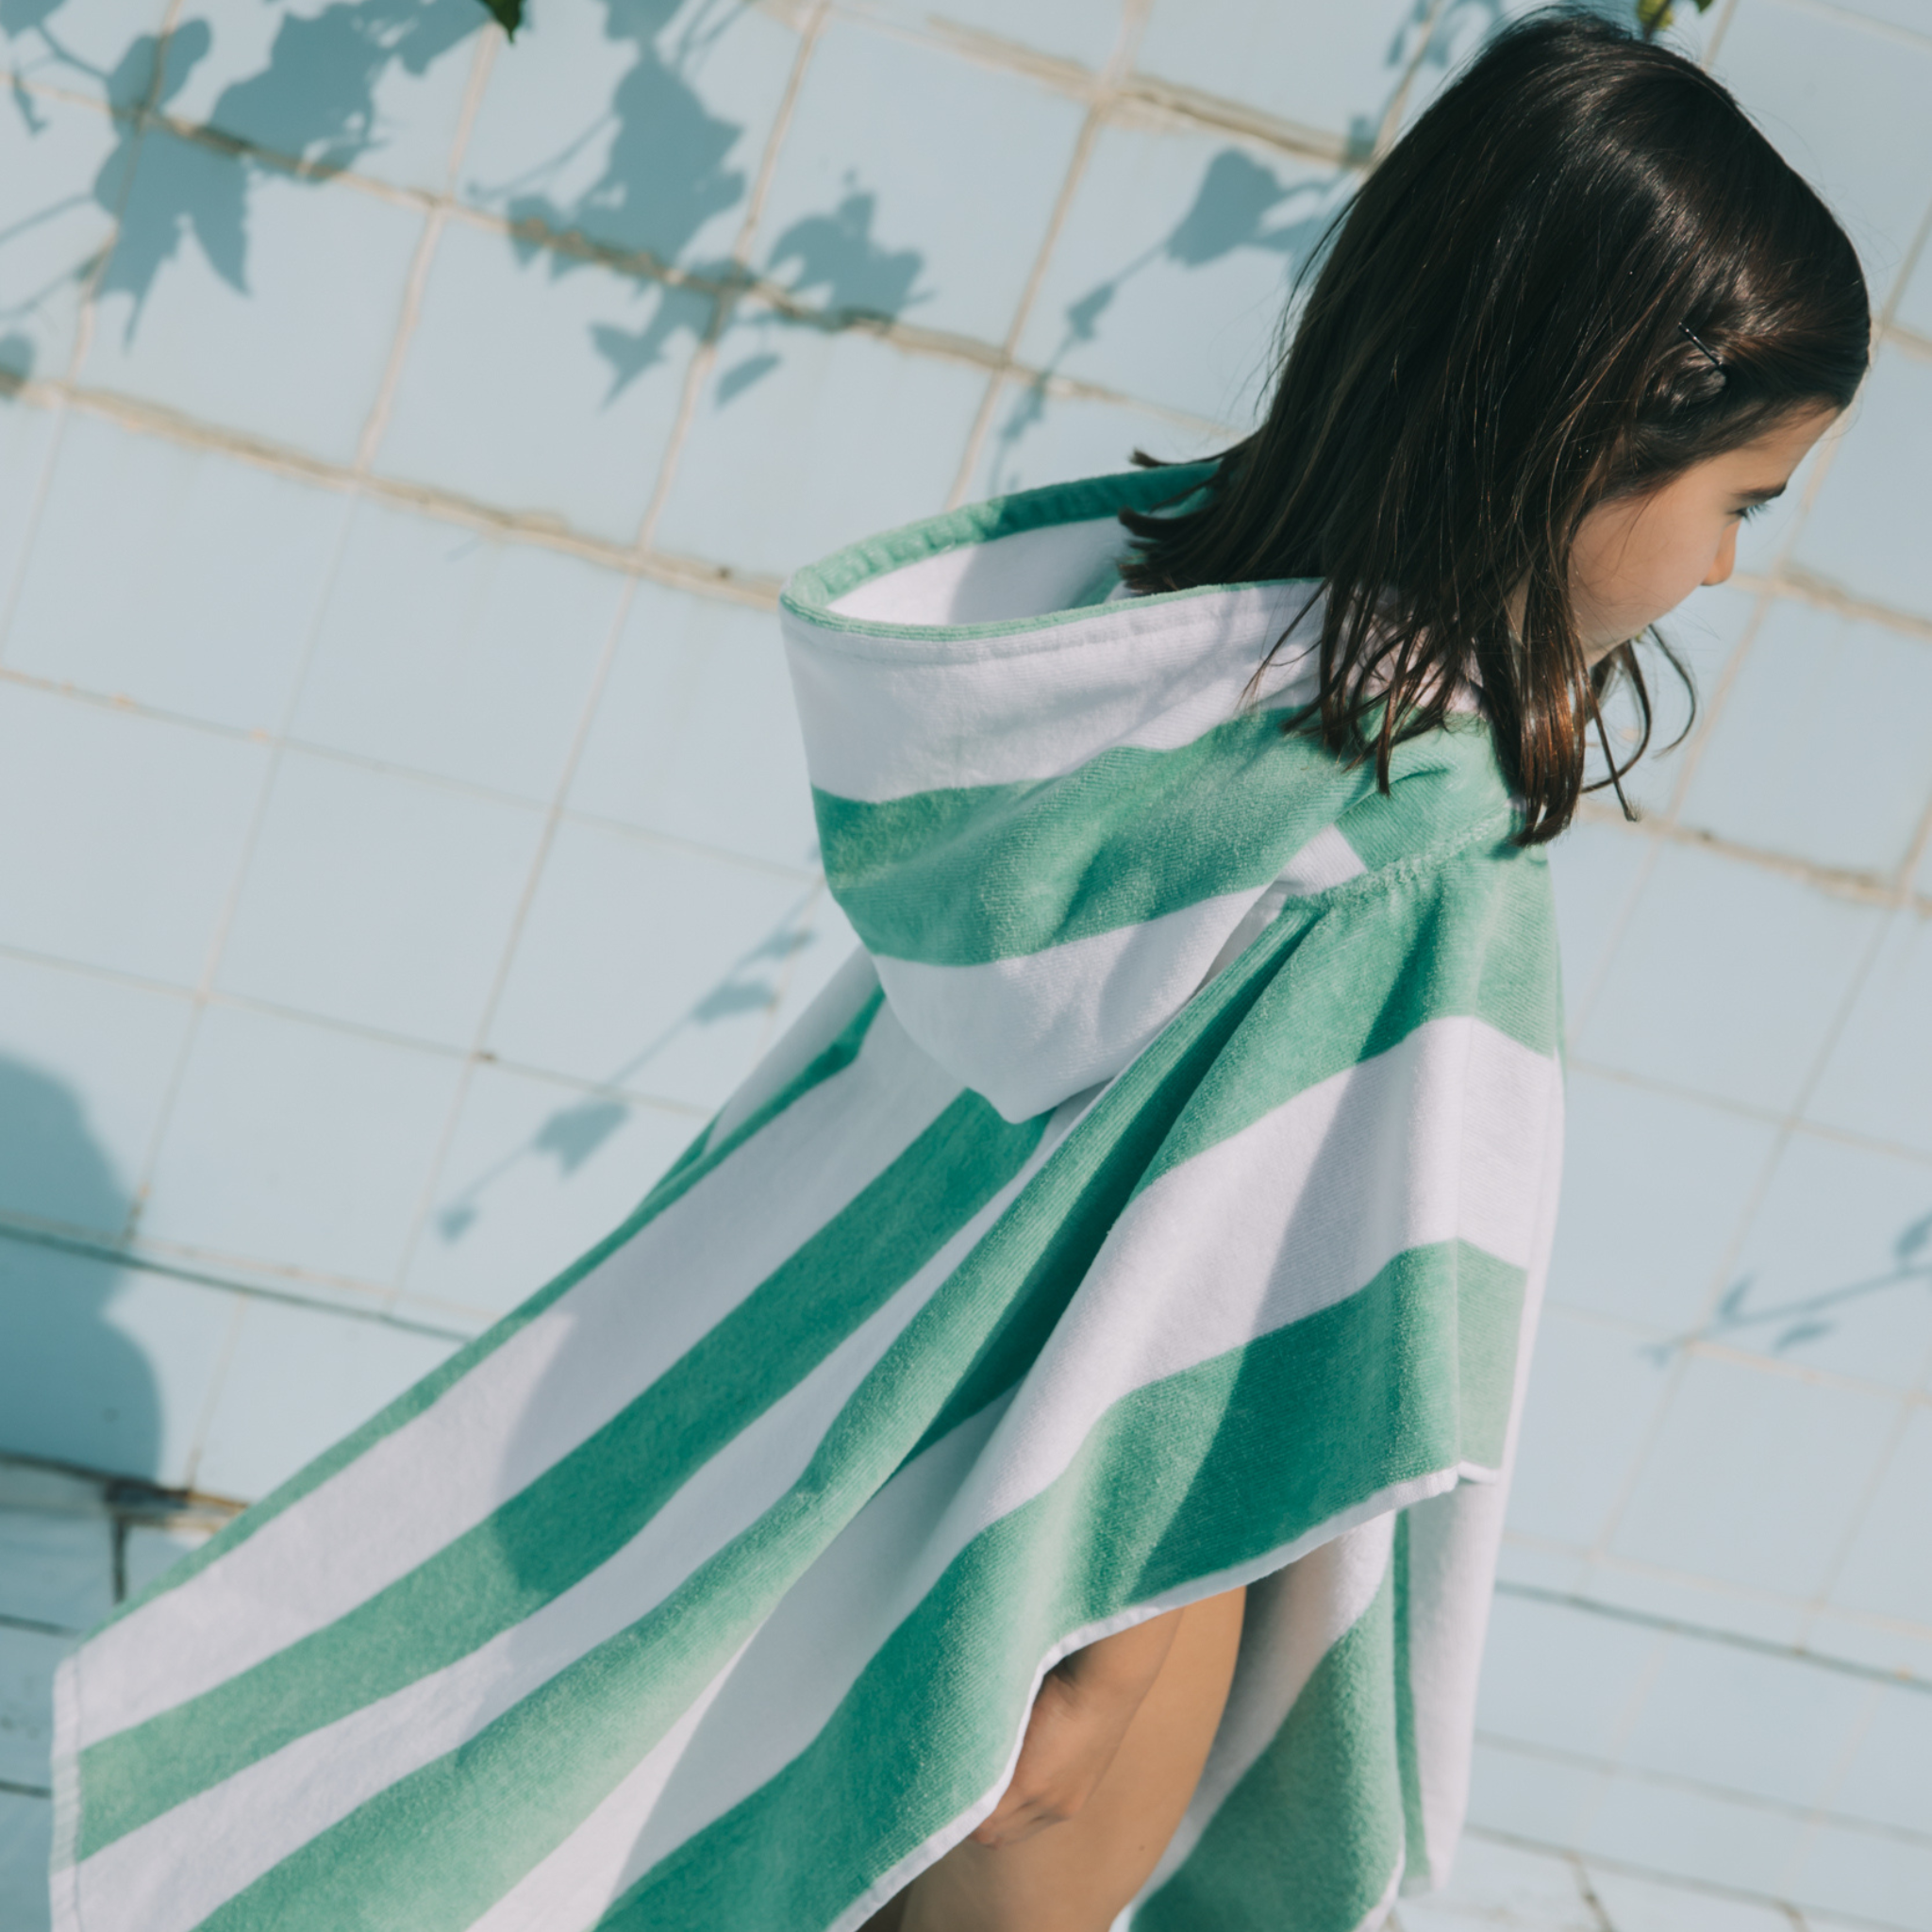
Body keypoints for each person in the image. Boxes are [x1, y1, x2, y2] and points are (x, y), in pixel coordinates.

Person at [50, 10, 1865, 1932]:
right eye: (1736, 503)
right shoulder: (1421, 844)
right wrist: (1094, 1664)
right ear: (1593, 437)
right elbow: (1266, 1305)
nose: (1729, 572)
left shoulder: (1164, 670)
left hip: (900, 1453)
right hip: (1119, 1571)